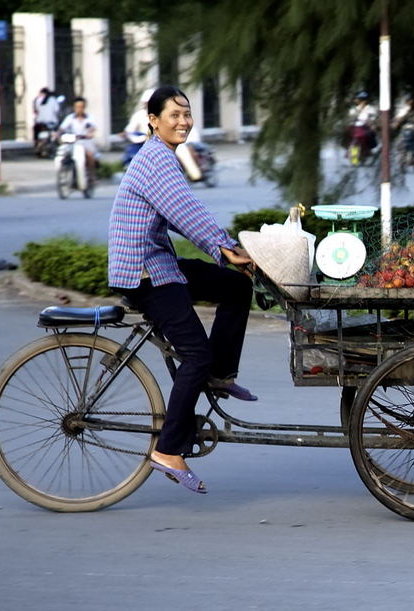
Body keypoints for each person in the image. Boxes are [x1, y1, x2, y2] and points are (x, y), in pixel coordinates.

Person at [108, 85, 256, 495]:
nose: (184, 121)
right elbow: (185, 213)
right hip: (144, 272)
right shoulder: (156, 159)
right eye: (174, 114)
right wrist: (225, 247)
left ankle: (219, 377)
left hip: (159, 262)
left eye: (187, 114)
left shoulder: (161, 157)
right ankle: (169, 450)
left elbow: (175, 215)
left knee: (234, 287)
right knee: (195, 353)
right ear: (153, 120)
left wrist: (227, 256)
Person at [56, 97, 98, 184]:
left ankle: (91, 176)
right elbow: (62, 128)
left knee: (90, 156)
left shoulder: (89, 118)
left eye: (81, 107)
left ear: (84, 107)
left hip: (85, 142)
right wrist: (57, 134)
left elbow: (93, 128)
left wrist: (90, 133)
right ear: (74, 107)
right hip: (72, 143)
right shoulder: (70, 118)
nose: (79, 109)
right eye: (77, 107)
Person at [121, 88, 153, 167]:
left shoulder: (163, 115)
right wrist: (141, 137)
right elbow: (129, 131)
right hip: (142, 143)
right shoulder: (139, 115)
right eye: (147, 102)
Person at [345, 91, 378, 160]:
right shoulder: (354, 110)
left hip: (365, 127)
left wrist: (370, 122)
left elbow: (373, 119)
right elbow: (350, 118)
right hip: (355, 127)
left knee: (370, 135)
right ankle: (350, 153)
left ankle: (369, 150)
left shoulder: (371, 109)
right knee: (347, 135)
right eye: (358, 99)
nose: (358, 101)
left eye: (361, 100)